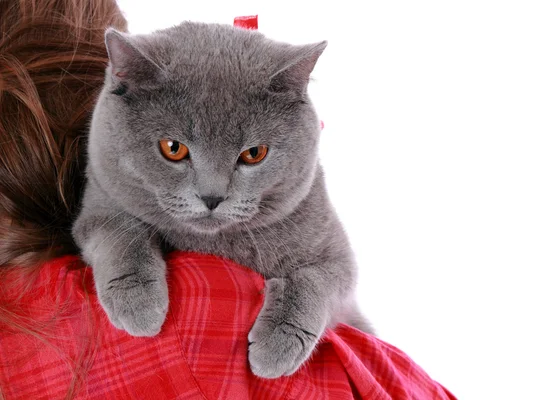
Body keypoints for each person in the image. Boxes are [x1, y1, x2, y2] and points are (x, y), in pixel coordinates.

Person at [0, 1, 457, 399]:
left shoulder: (26, 324)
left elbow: (332, 266)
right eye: (174, 150)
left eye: (252, 154)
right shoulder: (202, 313)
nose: (212, 195)